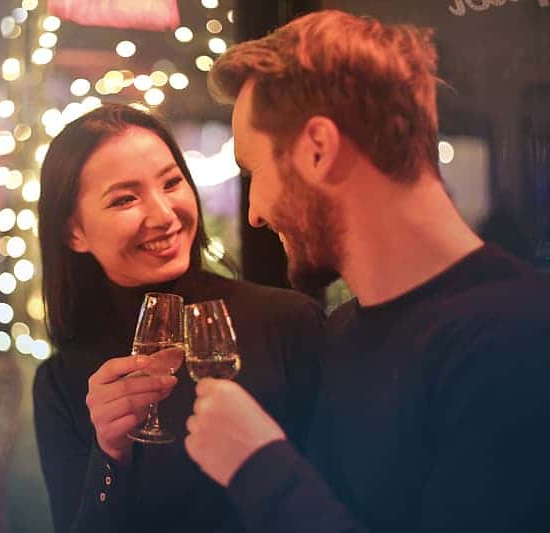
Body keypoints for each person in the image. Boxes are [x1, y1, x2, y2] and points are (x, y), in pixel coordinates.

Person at [184, 10, 550, 533]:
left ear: (318, 150)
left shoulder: (523, 341)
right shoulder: (344, 330)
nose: (254, 213)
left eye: (253, 172)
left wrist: (259, 467)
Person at [33, 103, 324, 533]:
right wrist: (110, 456)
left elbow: (337, 504)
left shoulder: (286, 321)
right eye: (125, 198)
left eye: (172, 183)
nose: (164, 215)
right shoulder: (61, 381)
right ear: (72, 232)